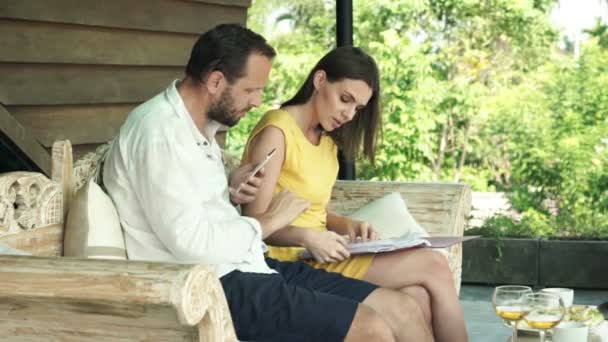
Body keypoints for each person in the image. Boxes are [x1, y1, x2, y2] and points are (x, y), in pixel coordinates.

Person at [103, 24, 433, 342]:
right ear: (216, 81)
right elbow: (191, 242)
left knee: (402, 308)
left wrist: (231, 191)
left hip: (247, 264)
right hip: (210, 285)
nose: (258, 101)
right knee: (371, 328)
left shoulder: (200, 130)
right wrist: (270, 220)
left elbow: (192, 208)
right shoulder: (159, 134)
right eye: (251, 90)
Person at [241, 46, 468, 342]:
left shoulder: (326, 141)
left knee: (418, 296)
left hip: (325, 252)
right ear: (320, 80)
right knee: (434, 265)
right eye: (345, 99)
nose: (349, 114)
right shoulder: (277, 131)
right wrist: (307, 237)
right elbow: (254, 224)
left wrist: (346, 225)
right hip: (290, 262)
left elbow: (312, 211)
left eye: (358, 108)